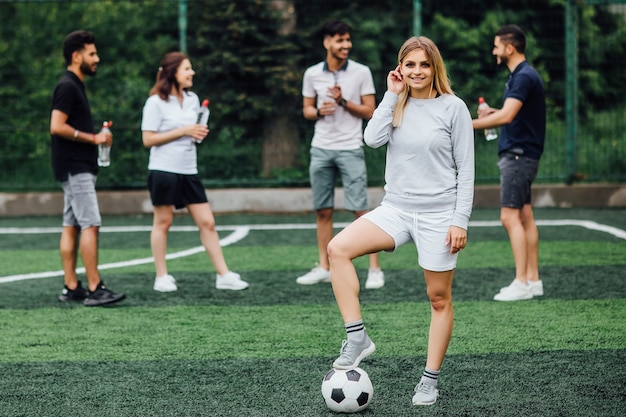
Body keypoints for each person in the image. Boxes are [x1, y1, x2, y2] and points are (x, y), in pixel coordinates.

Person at [326, 36, 474, 406]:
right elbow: (371, 139)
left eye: (424, 65)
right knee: (337, 249)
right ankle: (357, 336)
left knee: (438, 298)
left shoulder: (453, 108)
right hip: (395, 209)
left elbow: (467, 172)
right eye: (410, 65)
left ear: (434, 67)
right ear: (400, 68)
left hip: (440, 213)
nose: (417, 72)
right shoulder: (397, 103)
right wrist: (390, 96)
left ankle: (429, 380)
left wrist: (460, 221)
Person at [141, 52, 248, 292]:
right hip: (163, 170)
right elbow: (148, 139)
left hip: (189, 170)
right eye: (187, 69)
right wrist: (184, 131)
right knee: (163, 222)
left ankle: (224, 275)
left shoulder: (193, 99)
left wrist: (197, 132)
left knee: (208, 222)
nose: (192, 73)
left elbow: (193, 132)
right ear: (172, 72)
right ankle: (161, 276)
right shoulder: (155, 102)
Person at [299, 20, 384, 289]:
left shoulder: (361, 72)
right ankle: (324, 266)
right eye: (339, 40)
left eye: (347, 40)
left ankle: (374, 270)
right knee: (323, 211)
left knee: (361, 210)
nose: (345, 45)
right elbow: (307, 110)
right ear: (327, 43)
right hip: (321, 148)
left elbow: (371, 110)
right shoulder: (312, 74)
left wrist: (342, 101)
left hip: (350, 147)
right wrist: (318, 111)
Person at [49, 30, 125, 306]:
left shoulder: (74, 85)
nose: (97, 58)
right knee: (90, 224)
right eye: (92, 54)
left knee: (71, 225)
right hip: (75, 167)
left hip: (73, 167)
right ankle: (95, 288)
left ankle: (72, 287)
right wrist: (94, 138)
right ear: (76, 56)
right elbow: (56, 126)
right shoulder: (67, 86)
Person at [472, 24, 546, 302]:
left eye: (496, 46)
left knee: (509, 216)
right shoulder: (521, 76)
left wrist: (467, 124)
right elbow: (509, 113)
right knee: (525, 216)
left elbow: (506, 118)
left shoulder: (523, 76)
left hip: (518, 154)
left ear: (509, 48)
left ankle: (521, 282)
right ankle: (533, 280)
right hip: (522, 153)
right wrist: (492, 111)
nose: (494, 51)